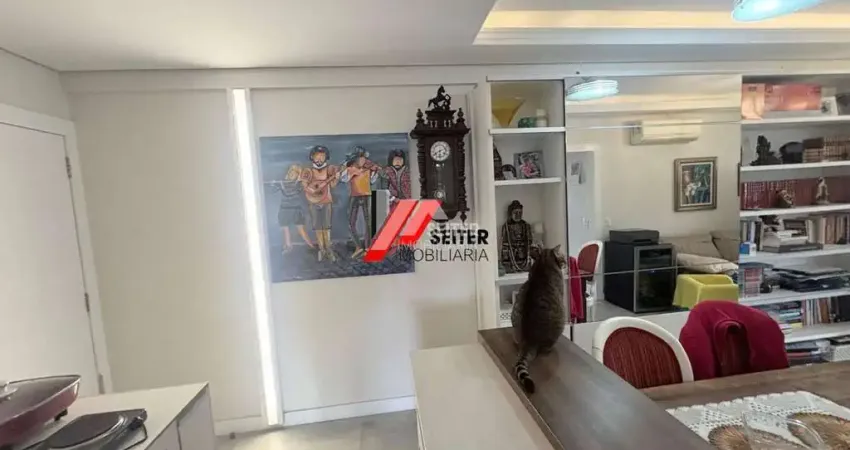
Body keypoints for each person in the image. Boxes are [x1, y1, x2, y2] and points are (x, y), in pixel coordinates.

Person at [299, 146, 341, 262]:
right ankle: (322, 249)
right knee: (318, 227)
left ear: (326, 157)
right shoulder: (308, 171)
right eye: (317, 156)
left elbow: (332, 185)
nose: (319, 159)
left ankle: (328, 249)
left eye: (322, 156)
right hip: (313, 202)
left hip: (326, 201)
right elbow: (304, 185)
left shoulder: (330, 169)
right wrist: (311, 190)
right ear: (312, 157)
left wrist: (336, 178)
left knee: (326, 227)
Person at [340, 146, 379, 258]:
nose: (362, 160)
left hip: (366, 196)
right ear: (355, 158)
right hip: (354, 196)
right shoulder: (350, 168)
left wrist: (375, 171)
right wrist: (351, 171)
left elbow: (372, 181)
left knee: (368, 222)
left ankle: (368, 247)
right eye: (360, 158)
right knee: (351, 223)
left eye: (363, 158)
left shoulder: (368, 169)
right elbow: (343, 179)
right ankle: (358, 246)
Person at [273, 165, 313, 253]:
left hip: (295, 209)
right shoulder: (282, 182)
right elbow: (273, 189)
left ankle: (312, 246)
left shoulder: (299, 184)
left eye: (295, 172)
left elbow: (310, 190)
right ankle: (288, 246)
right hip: (285, 209)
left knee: (301, 229)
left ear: (298, 175)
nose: (292, 174)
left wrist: (304, 182)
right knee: (285, 229)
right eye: (291, 171)